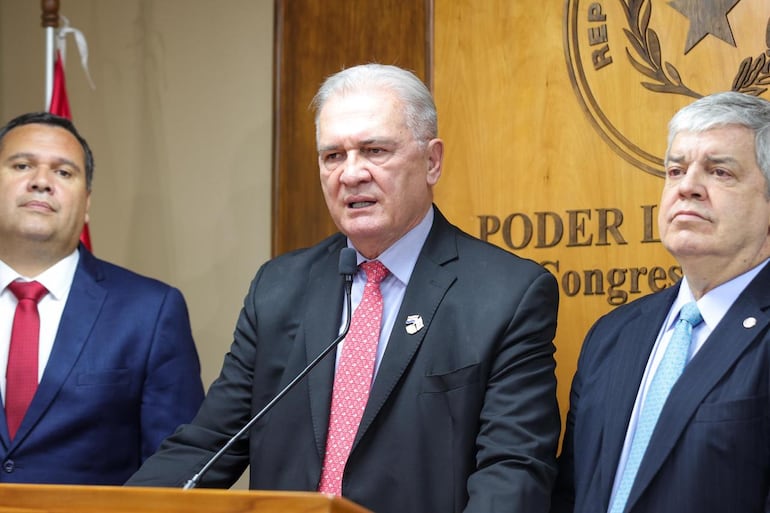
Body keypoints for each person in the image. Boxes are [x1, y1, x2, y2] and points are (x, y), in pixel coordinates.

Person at [127, 63, 561, 512]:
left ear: (432, 162)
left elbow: (513, 471)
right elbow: (209, 444)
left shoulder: (507, 295)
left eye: (374, 150)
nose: (351, 174)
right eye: (333, 156)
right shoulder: (278, 288)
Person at [551, 91, 770, 513]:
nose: (687, 187)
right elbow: (571, 490)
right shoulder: (613, 335)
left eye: (720, 172)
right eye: (675, 170)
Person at [0, 111, 205, 484]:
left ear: (88, 201)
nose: (41, 182)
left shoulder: (150, 312)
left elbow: (178, 470)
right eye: (22, 165)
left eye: (63, 173)